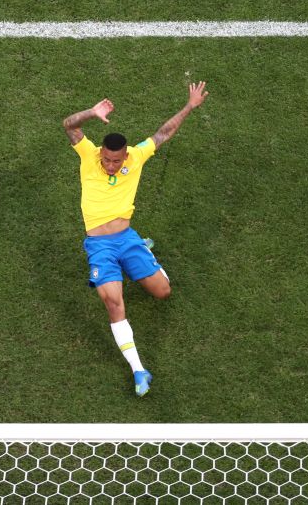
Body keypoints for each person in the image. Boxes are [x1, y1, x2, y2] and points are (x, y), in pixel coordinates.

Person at [63, 81, 209, 396]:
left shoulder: (135, 157)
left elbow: (163, 133)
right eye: (107, 160)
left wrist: (189, 106)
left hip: (127, 239)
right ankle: (139, 369)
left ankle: (144, 251)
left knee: (162, 292)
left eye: (117, 161)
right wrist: (91, 112)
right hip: (99, 247)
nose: (111, 165)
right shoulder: (89, 157)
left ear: (124, 155)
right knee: (114, 303)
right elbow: (68, 125)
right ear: (101, 152)